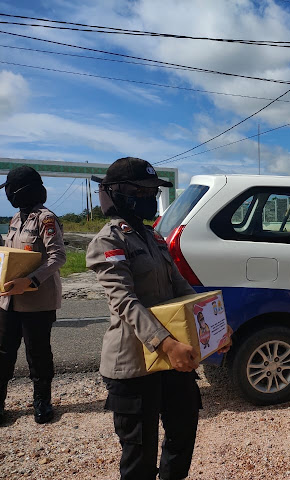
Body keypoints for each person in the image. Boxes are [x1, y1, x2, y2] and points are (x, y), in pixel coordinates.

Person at [86, 157, 231, 480]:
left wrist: (217, 323)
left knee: (183, 435)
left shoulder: (153, 238)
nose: (151, 197)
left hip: (173, 358)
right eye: (144, 191)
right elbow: (125, 301)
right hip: (136, 363)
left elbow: (180, 286)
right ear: (120, 193)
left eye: (154, 191)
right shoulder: (109, 241)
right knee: (139, 454)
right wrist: (165, 344)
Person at [0, 166, 66, 425]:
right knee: (3, 352)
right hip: (9, 300)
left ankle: (42, 402)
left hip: (37, 301)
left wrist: (30, 280)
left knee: (37, 354)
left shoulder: (46, 219)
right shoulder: (16, 218)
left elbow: (58, 256)